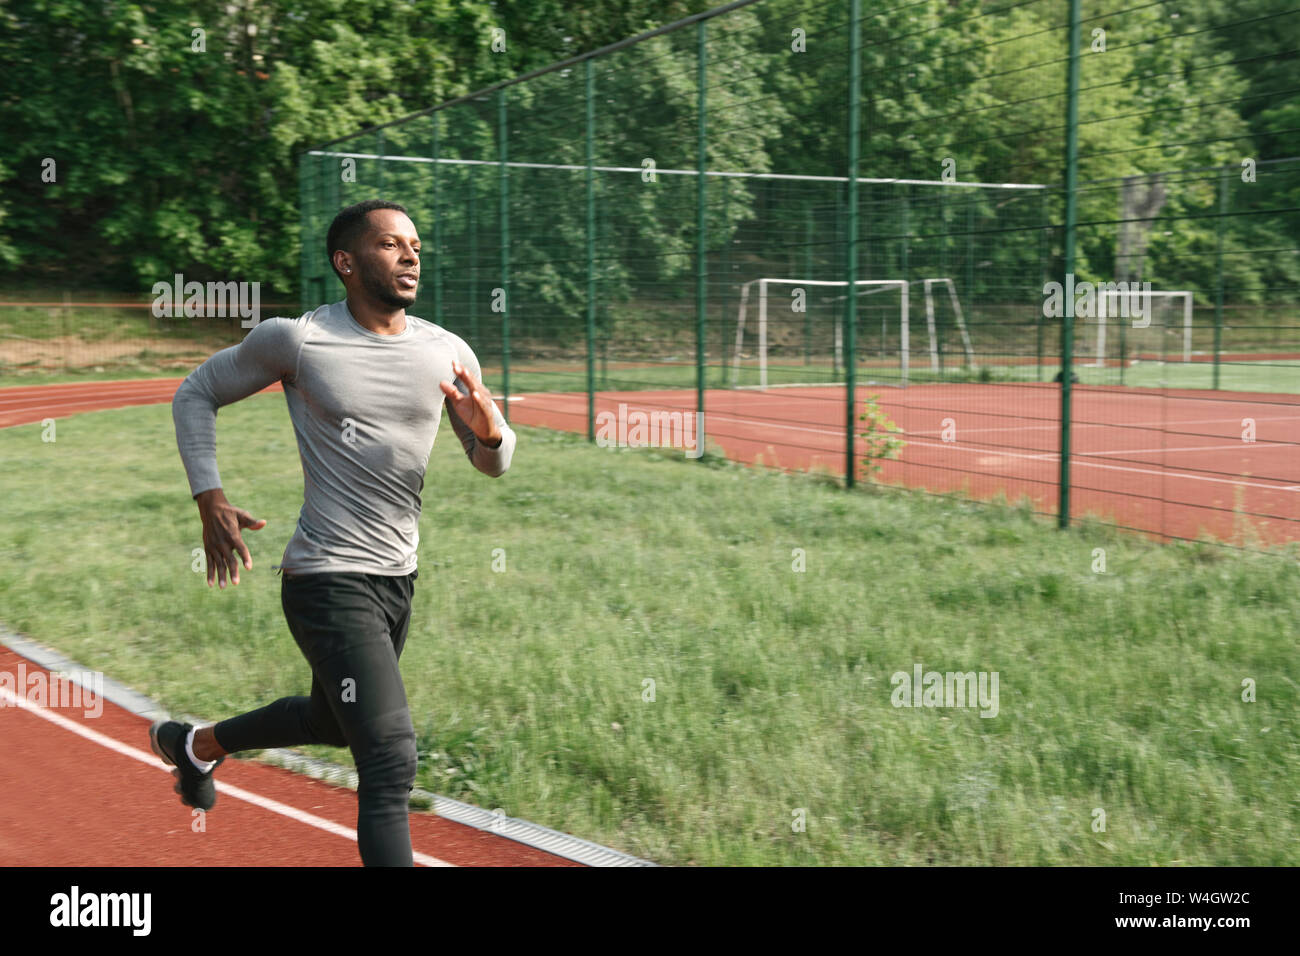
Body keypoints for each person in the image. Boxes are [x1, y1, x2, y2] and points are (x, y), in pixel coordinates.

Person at [151, 199, 516, 866]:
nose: (410, 255)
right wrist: (211, 497)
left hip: (397, 581)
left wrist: (493, 434)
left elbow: (489, 464)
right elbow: (195, 392)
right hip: (326, 578)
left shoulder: (447, 351)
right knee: (389, 753)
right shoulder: (298, 339)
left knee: (331, 720)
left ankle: (196, 745)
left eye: (414, 244)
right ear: (346, 262)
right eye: (390, 244)